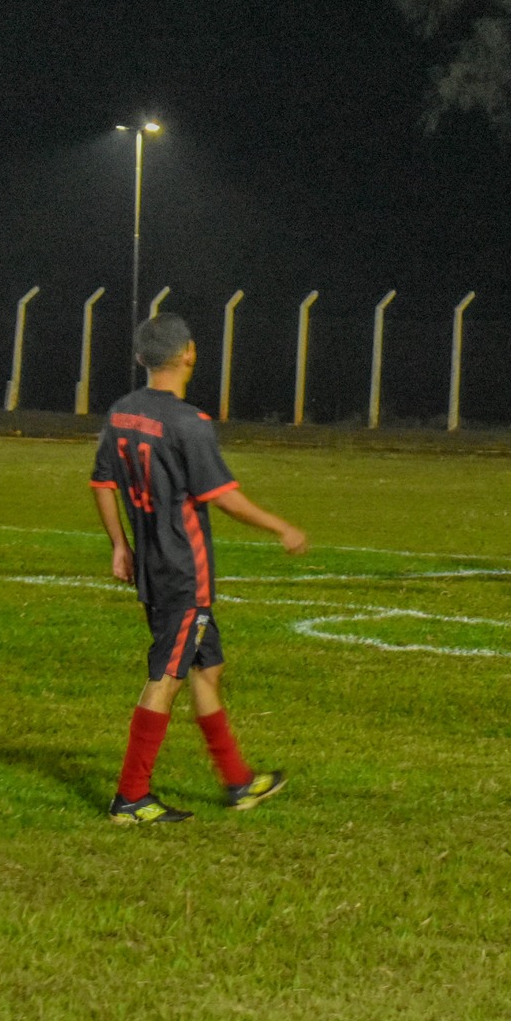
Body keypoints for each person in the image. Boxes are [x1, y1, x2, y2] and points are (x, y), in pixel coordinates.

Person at [91, 315, 308, 824]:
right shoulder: (189, 422)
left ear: (141, 359)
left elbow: (101, 483)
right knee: (166, 676)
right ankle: (131, 797)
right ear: (189, 353)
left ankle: (237, 782)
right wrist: (282, 527)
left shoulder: (121, 412)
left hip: (150, 562)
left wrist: (119, 545)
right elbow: (224, 499)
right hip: (184, 571)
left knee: (207, 667)